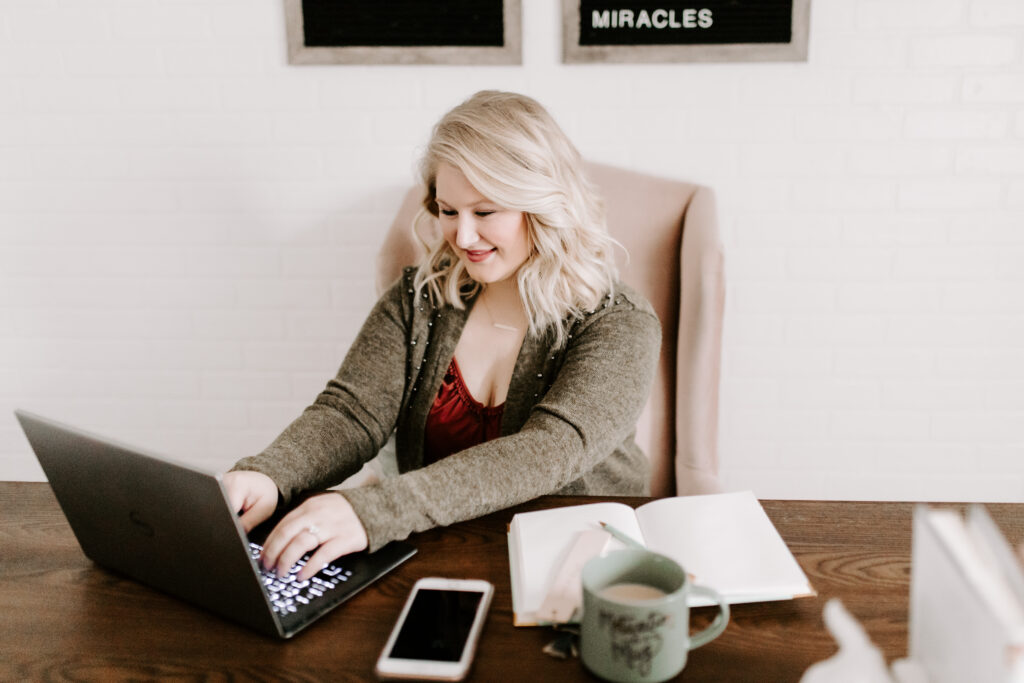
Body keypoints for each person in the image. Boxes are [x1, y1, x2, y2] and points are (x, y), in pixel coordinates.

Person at [224, 90, 661, 581]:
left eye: (486, 211)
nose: (463, 237)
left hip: (578, 561)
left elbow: (551, 449)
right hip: (435, 549)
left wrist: (375, 509)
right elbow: (350, 413)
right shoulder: (419, 298)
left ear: (539, 204)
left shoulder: (618, 322)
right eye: (448, 211)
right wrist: (268, 473)